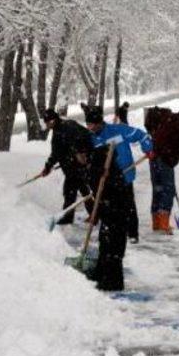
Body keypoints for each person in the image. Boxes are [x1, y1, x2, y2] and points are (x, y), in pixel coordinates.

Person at [84, 105, 153, 243]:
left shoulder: (118, 130)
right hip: (105, 178)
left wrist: (148, 148)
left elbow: (142, 135)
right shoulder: (90, 139)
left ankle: (132, 234)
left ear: (99, 122)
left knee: (128, 205)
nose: (89, 128)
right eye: (88, 124)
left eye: (92, 124)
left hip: (123, 174)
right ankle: (109, 234)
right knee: (106, 207)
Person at [147, 104, 179, 233]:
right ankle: (164, 224)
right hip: (165, 160)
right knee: (167, 191)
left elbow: (154, 129)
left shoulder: (167, 117)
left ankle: (156, 222)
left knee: (157, 189)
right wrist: (172, 161)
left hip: (154, 157)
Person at [86, 142, 128, 291]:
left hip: (117, 211)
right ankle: (102, 273)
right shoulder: (96, 167)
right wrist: (95, 214)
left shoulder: (107, 170)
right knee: (105, 242)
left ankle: (113, 282)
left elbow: (109, 192)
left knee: (113, 246)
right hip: (110, 210)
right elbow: (97, 195)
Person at [41, 109, 93, 224]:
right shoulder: (58, 130)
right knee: (82, 190)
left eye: (48, 122)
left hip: (77, 166)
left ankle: (69, 217)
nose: (47, 125)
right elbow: (56, 152)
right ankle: (94, 214)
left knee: (71, 192)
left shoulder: (68, 127)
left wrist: (81, 154)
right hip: (71, 167)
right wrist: (48, 166)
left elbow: (86, 137)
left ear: (53, 120)